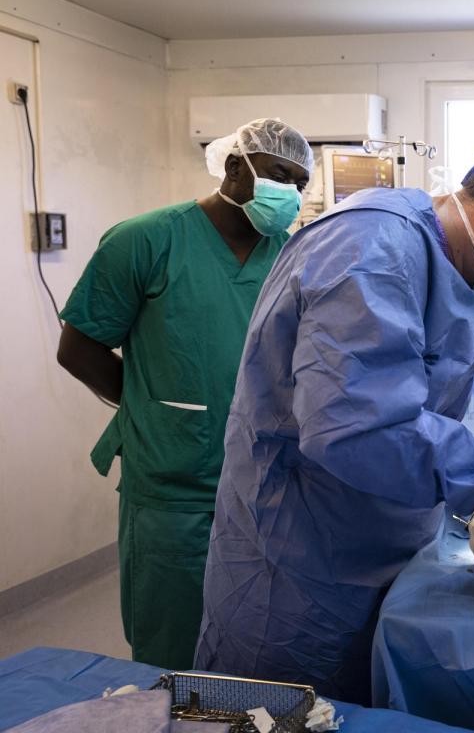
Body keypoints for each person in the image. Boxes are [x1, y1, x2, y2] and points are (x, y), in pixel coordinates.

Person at [195, 137, 474, 703]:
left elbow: (415, 404)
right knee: (271, 711)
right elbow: (358, 426)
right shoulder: (373, 247)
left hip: (370, 548)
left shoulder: (452, 269)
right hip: (296, 568)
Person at [56, 118, 312, 669]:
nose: (287, 193)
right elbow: (78, 349)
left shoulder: (290, 258)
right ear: (235, 167)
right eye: (277, 174)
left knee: (255, 643)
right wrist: (153, 406)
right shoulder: (145, 240)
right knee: (172, 649)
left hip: (263, 486)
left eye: (298, 183)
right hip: (173, 489)